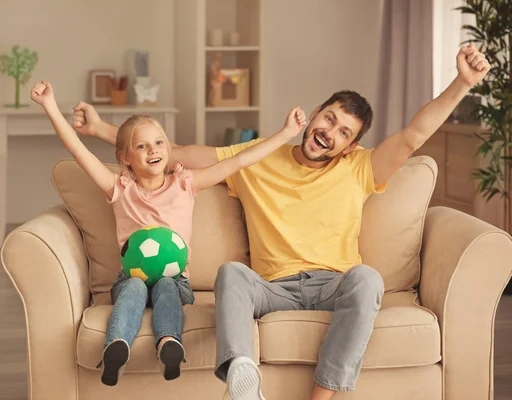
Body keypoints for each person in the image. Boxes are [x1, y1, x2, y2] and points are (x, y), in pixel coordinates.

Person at [70, 45, 490, 400]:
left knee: (368, 280)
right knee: (231, 274)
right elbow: (176, 153)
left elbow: (414, 136)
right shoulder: (258, 157)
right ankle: (240, 377)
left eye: (344, 132)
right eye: (329, 118)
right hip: (272, 288)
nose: (330, 132)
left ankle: (321, 397)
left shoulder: (362, 168)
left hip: (334, 282)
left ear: (350, 146)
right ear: (314, 114)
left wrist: (463, 84)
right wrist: (101, 130)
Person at [30, 80, 307, 388]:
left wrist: (285, 134)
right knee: (134, 285)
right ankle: (116, 347)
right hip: (130, 278)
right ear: (125, 158)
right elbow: (77, 150)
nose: (154, 150)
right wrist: (50, 106)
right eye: (142, 146)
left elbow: (239, 161)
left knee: (165, 285)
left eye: (159, 143)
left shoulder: (185, 184)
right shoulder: (120, 189)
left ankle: (168, 344)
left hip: (176, 279)